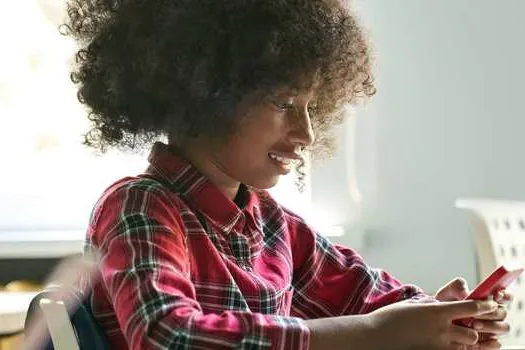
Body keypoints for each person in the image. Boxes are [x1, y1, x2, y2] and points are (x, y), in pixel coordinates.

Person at [63, 0, 511, 349]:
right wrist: (374, 332)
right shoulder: (138, 208)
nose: (308, 132)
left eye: (312, 108)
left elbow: (371, 297)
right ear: (207, 94)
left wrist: (442, 315)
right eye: (284, 104)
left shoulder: (274, 225)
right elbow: (171, 338)